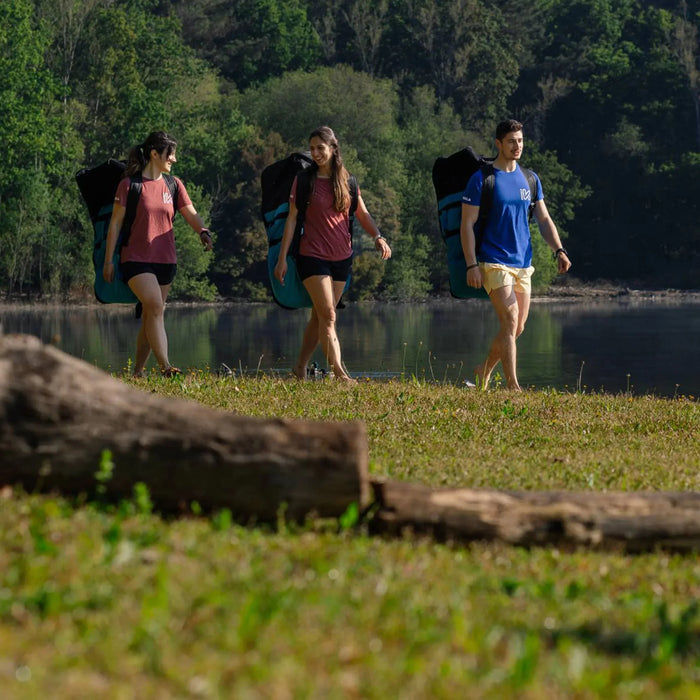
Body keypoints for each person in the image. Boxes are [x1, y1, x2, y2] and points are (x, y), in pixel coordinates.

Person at [460, 119, 571, 391]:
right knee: (509, 321)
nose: (517, 146)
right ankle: (513, 386)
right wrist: (471, 264)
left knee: (517, 328)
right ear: (499, 143)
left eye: (520, 140)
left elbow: (543, 219)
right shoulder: (483, 179)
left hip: (523, 262)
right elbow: (467, 225)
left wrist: (559, 249)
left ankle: (482, 371)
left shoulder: (530, 179)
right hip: (493, 260)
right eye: (511, 141)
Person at [274, 126, 391, 382]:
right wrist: (282, 258)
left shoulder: (348, 180)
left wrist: (378, 236)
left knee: (319, 317)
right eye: (312, 148)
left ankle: (300, 366)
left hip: (342, 258)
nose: (315, 153)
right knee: (329, 314)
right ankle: (339, 373)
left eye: (320, 148)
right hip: (311, 255)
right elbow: (292, 220)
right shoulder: (304, 180)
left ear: (333, 149)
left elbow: (362, 213)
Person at [103, 131, 213, 377]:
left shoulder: (174, 185)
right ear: (154, 154)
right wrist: (108, 260)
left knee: (151, 314)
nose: (173, 159)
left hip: (166, 261)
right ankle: (166, 366)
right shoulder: (129, 185)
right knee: (154, 305)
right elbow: (115, 224)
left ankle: (138, 372)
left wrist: (203, 231)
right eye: (170, 154)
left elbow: (191, 213)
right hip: (135, 259)